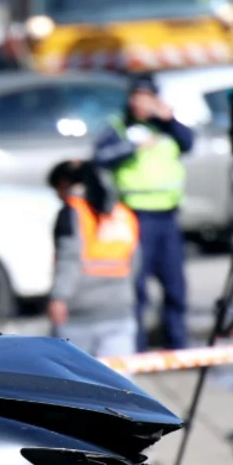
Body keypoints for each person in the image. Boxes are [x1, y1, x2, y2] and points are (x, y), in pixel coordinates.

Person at [94, 73, 193, 351]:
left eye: (146, 97)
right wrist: (132, 147)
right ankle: (137, 348)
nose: (141, 103)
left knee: (175, 286)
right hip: (135, 216)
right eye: (136, 97)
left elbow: (188, 143)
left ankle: (178, 345)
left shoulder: (165, 126)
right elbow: (101, 157)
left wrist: (169, 120)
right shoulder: (120, 126)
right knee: (137, 289)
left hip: (168, 216)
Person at [46, 161, 141, 357]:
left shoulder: (72, 212)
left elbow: (68, 258)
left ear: (64, 184)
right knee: (118, 383)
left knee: (76, 382)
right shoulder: (122, 213)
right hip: (120, 310)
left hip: (80, 313)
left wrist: (58, 298)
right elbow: (136, 260)